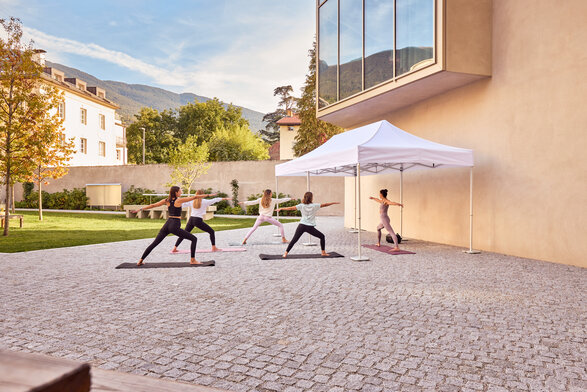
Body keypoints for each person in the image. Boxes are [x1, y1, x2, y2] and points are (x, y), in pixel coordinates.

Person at [130, 186, 214, 266]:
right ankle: (192, 260)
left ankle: (140, 260)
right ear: (176, 192)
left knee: (154, 243)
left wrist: (140, 209)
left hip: (167, 224)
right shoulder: (179, 200)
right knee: (194, 239)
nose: (181, 192)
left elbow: (153, 205)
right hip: (174, 225)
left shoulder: (166, 200)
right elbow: (194, 197)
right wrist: (208, 195)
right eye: (180, 190)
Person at [276, 191, 339, 258]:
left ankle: (285, 253)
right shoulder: (315, 206)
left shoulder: (301, 205)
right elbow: (325, 204)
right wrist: (333, 203)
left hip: (301, 226)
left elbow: (291, 208)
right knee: (322, 236)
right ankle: (323, 252)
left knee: (294, 240)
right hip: (310, 227)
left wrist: (281, 208)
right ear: (311, 198)